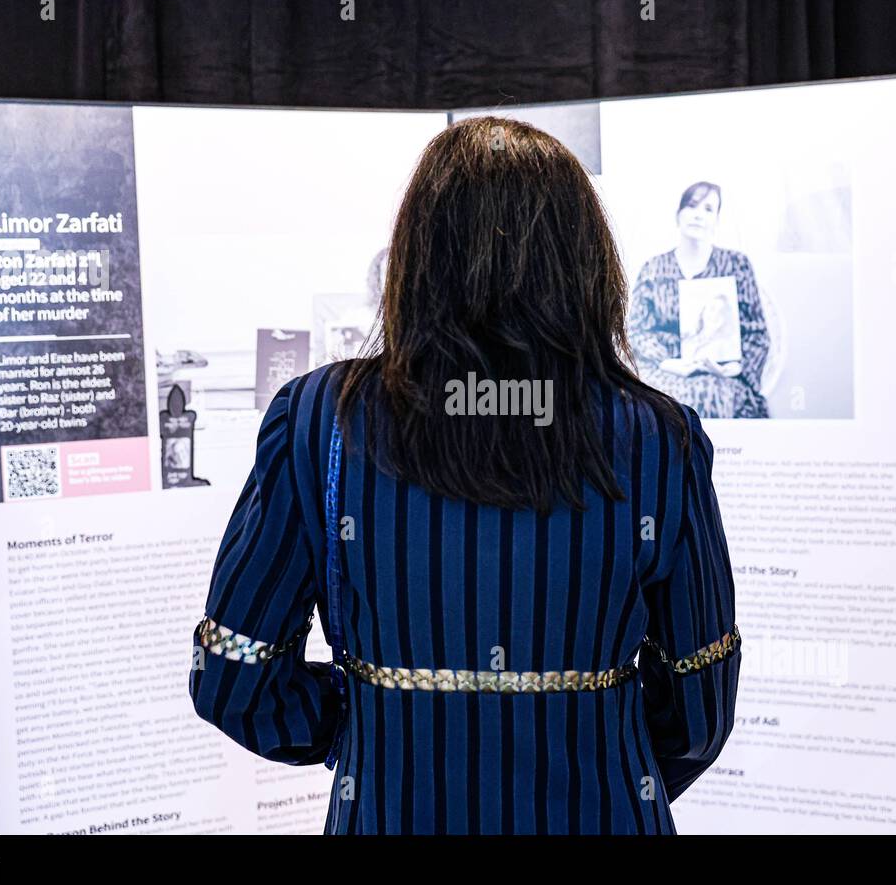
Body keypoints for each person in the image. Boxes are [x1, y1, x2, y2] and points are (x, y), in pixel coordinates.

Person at [188, 116, 741, 834]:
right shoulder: (659, 436)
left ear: (416, 254)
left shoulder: (321, 417)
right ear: (586, 259)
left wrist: (369, 725)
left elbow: (236, 676)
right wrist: (602, 754)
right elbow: (698, 707)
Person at [627, 181, 770, 418]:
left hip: (722, 375)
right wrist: (666, 362)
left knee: (722, 396)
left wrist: (735, 367)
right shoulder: (654, 268)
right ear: (679, 214)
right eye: (692, 206)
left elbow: (756, 333)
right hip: (666, 371)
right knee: (660, 405)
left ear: (716, 219)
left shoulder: (736, 264)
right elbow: (637, 331)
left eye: (708, 209)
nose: (698, 215)